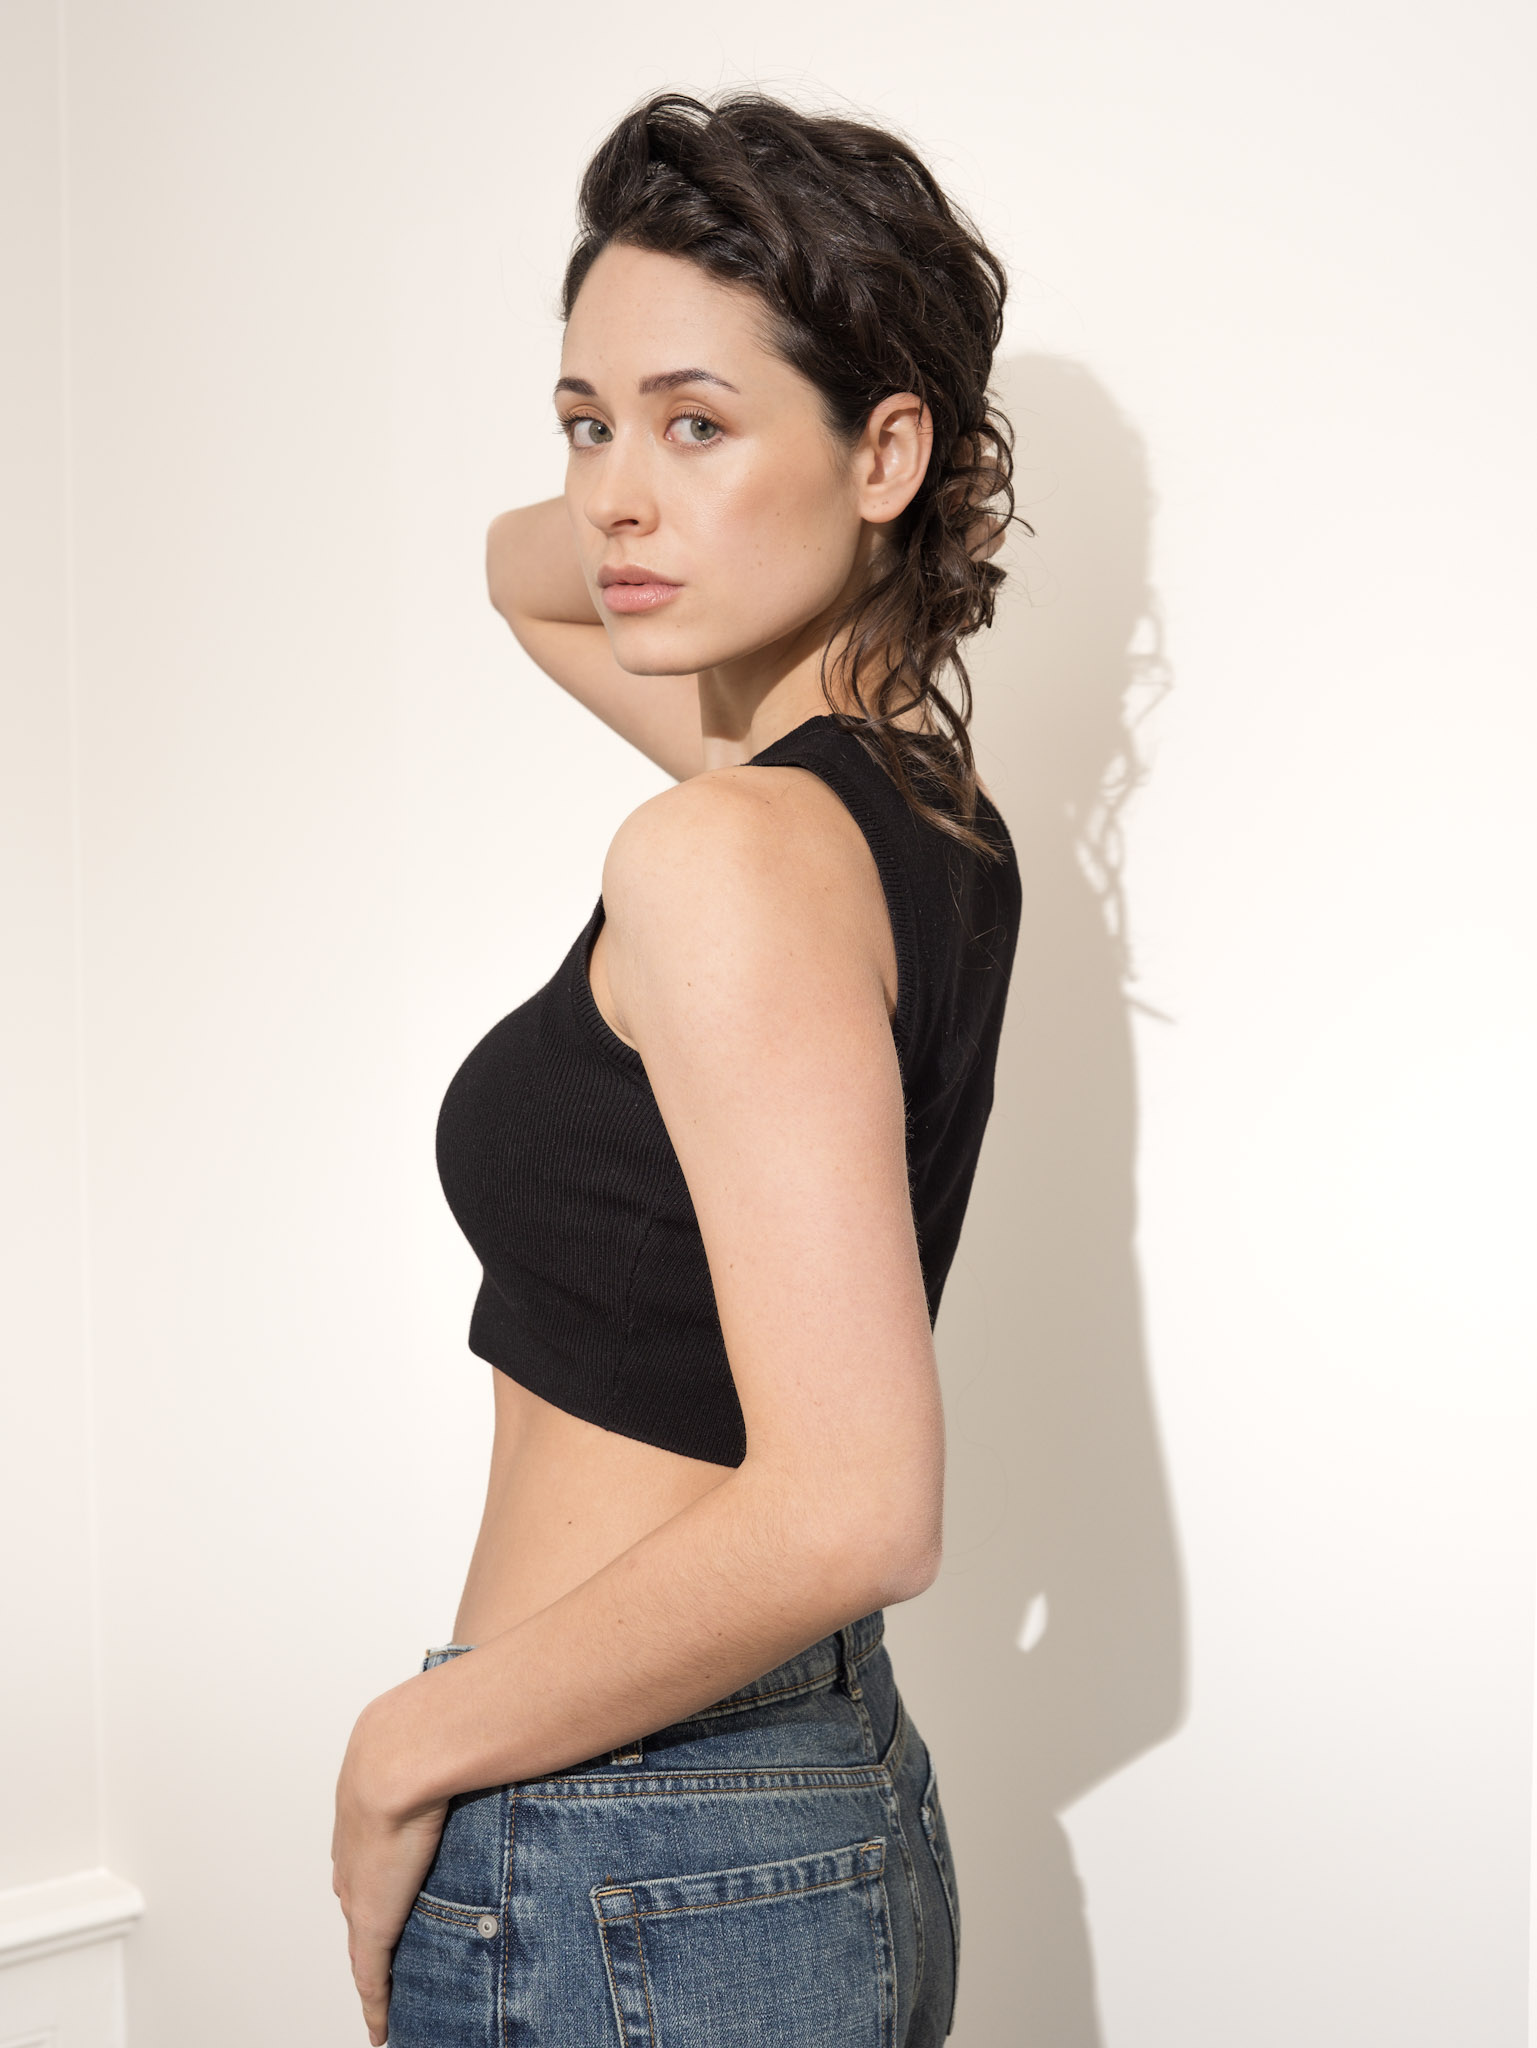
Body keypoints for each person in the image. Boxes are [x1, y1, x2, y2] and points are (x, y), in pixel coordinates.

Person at [331, 90, 1021, 2048]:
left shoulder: (726, 849)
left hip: (618, 1831)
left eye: (697, 424)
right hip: (802, 1793)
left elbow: (858, 1502)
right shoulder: (908, 821)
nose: (613, 500)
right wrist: (672, 448)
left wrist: (405, 1746)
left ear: (886, 450)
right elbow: (522, 569)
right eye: (584, 423)